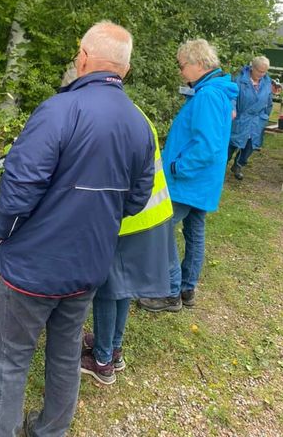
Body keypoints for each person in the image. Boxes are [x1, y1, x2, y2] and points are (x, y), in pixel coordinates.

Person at [0, 22, 155, 437]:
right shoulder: (139, 124)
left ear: (83, 58)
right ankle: (51, 429)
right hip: (88, 265)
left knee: (12, 359)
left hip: (33, 268)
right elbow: (136, 200)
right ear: (125, 70)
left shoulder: (59, 110)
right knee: (64, 352)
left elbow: (18, 189)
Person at [139, 39, 238, 312]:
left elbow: (206, 146)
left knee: (161, 229)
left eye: (182, 66)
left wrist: (176, 168)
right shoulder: (215, 91)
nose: (181, 71)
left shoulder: (208, 95)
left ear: (198, 63)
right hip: (203, 181)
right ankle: (186, 288)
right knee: (195, 232)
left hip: (189, 180)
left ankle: (170, 292)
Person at [80, 110, 174, 385]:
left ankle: (102, 360)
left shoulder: (110, 120)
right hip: (150, 216)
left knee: (108, 290)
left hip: (127, 220)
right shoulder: (135, 114)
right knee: (123, 289)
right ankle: (114, 348)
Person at [228, 56, 273, 180]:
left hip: (257, 120)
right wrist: (232, 108)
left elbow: (269, 101)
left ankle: (238, 165)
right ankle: (220, 166)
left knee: (250, 146)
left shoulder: (267, 82)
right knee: (232, 144)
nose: (262, 74)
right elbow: (232, 97)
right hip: (241, 117)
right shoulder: (239, 80)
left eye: (264, 72)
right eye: (259, 71)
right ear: (252, 68)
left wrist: (265, 115)